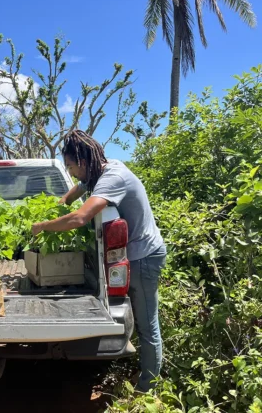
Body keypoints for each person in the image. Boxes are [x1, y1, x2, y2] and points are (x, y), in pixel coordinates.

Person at [31, 129, 166, 392]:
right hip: (136, 253)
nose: (70, 172)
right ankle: (145, 374)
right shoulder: (97, 172)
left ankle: (148, 388)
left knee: (147, 323)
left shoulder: (112, 178)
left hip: (144, 256)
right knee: (142, 319)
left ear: (82, 161)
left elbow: (80, 218)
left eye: (70, 166)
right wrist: (60, 202)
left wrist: (43, 225)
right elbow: (74, 192)